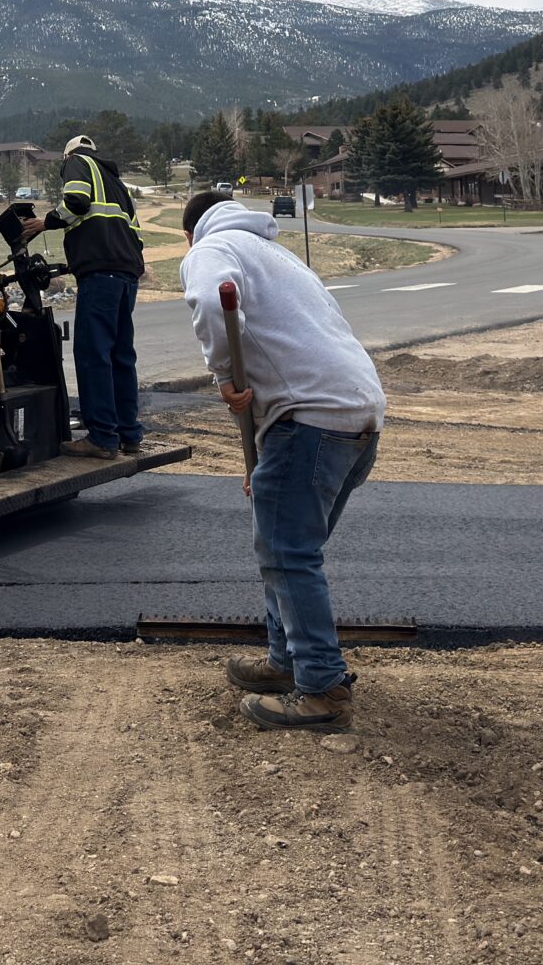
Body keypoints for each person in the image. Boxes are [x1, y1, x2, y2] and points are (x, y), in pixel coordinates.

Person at [178, 188, 387, 733]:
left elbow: (211, 301)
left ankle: (322, 689)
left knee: (288, 553)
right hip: (358, 415)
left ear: (189, 233)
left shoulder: (211, 248)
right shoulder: (277, 255)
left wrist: (225, 376)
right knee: (286, 547)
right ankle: (285, 660)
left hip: (311, 420)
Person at [21, 134, 147, 457]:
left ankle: (102, 437)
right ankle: (129, 434)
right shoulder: (117, 184)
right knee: (121, 354)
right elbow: (131, 234)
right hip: (127, 274)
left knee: (93, 353)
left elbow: (77, 202)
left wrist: (44, 223)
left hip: (101, 275)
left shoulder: (77, 162)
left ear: (66, 157)